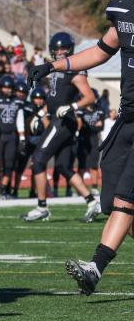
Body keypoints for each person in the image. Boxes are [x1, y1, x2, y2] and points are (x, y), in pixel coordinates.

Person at [43, 0, 134, 294]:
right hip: (127, 119)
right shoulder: (124, 9)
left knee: (125, 201)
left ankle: (95, 267)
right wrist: (55, 65)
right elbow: (100, 51)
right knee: (113, 202)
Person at [22, 32, 101, 223]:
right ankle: (92, 202)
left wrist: (73, 106)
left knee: (39, 160)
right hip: (59, 119)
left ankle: (42, 207)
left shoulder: (74, 70)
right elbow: (55, 98)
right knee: (63, 166)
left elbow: (90, 97)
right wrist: (42, 113)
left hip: (64, 121)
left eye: (62, 49)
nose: (58, 52)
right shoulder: (55, 69)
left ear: (70, 49)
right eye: (56, 49)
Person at [0, 76, 20, 199]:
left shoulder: (17, 100)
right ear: (1, 87)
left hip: (12, 135)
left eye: (9, 87)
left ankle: (2, 191)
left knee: (9, 164)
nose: (7, 90)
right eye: (5, 87)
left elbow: (21, 119)